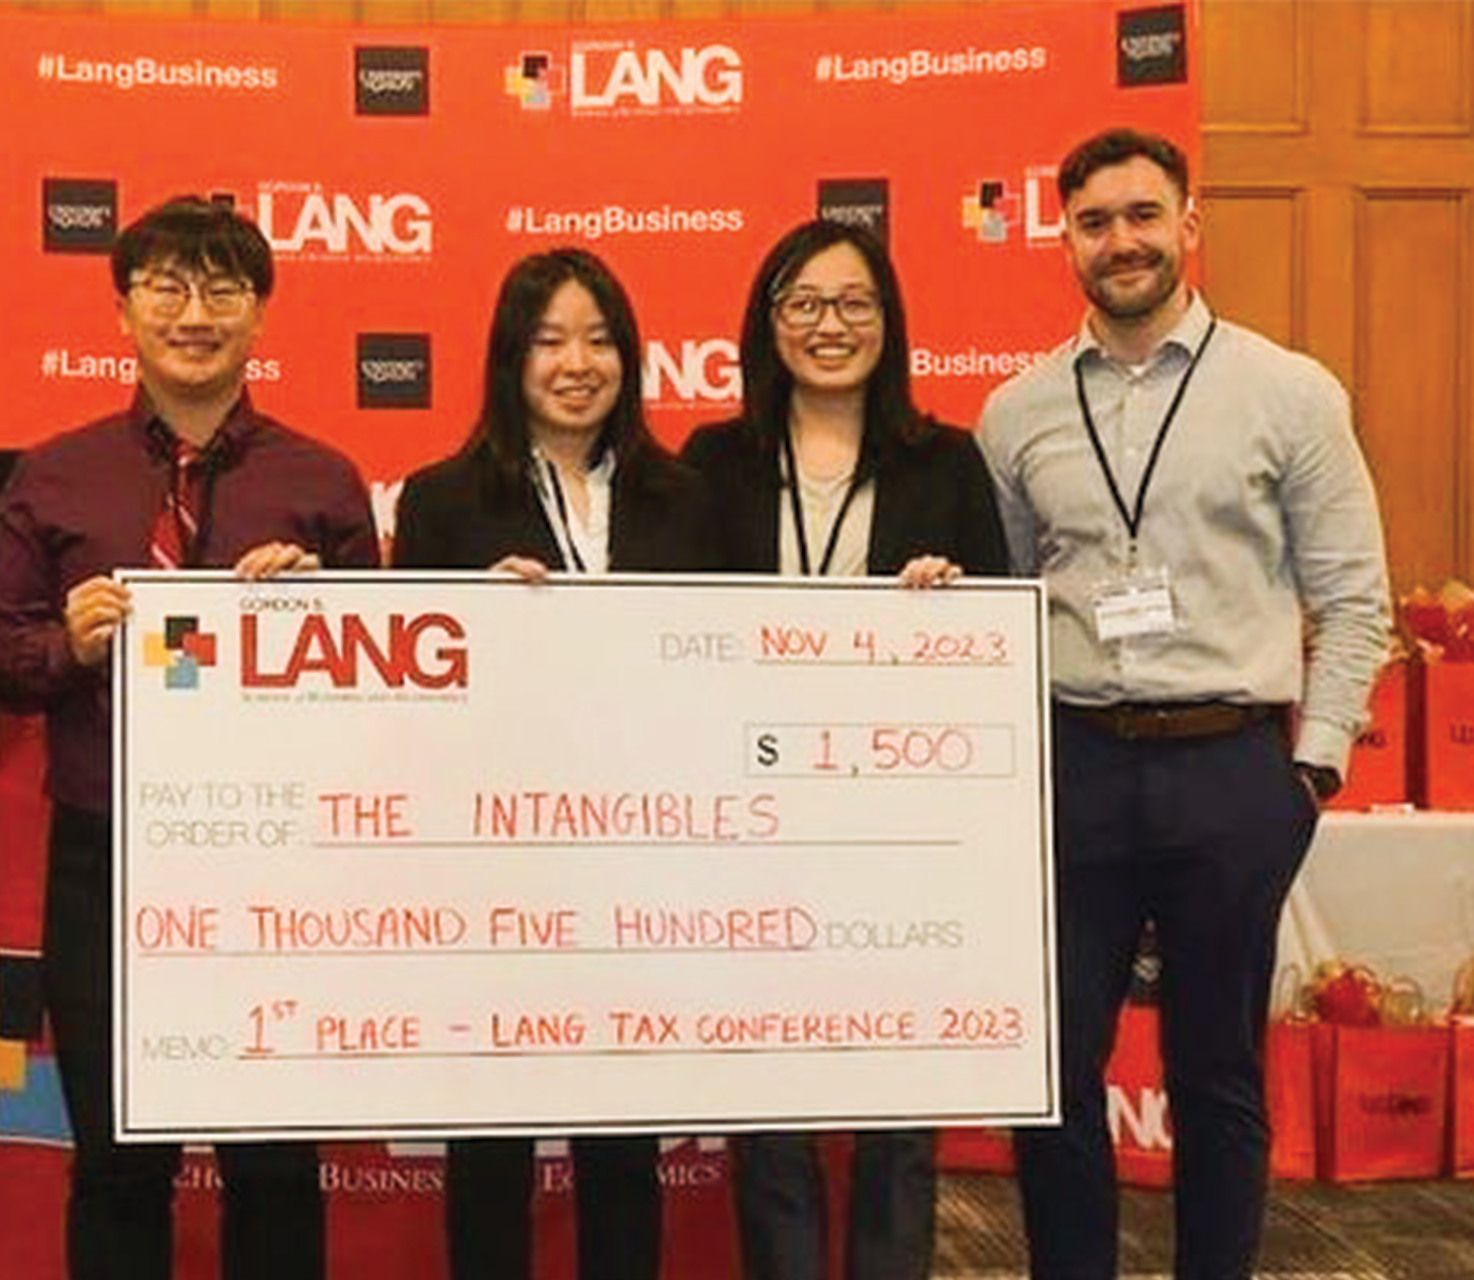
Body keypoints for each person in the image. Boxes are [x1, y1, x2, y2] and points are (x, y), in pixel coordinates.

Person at [977, 128, 1390, 1280]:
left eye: (1142, 215)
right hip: (1076, 768)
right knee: (1052, 1071)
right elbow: (1007, 604)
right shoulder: (1015, 414)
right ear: (1064, 238)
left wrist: (1308, 772)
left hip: (1230, 770)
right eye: (1095, 221)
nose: (1122, 242)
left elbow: (1356, 601)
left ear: (1189, 224)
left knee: (1216, 1076)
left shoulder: (1290, 393)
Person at [0, 198, 378, 1280]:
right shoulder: (56, 473)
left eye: (222, 288)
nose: (193, 312)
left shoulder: (324, 481)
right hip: (107, 852)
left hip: (278, 863)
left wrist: (323, 616)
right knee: (115, 1157)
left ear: (260, 314)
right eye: (166, 286)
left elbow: (387, 692)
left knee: (277, 1161)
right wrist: (67, 642)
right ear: (122, 311)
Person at [682, 219, 1008, 1280]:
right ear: (768, 323)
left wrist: (954, 613)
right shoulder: (714, 460)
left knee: (897, 1120)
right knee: (769, 1113)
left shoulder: (947, 461)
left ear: (891, 321)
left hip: (898, 834)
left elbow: (995, 648)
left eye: (855, 303)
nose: (831, 325)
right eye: (805, 303)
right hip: (749, 826)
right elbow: (666, 640)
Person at [391, 247, 714, 1280]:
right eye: (549, 340)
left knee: (625, 1146)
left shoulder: (688, 496)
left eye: (599, 337)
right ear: (508, 359)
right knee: (491, 1146)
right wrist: (480, 625)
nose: (578, 362)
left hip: (645, 868)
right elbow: (411, 696)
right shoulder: (444, 501)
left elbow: (731, 669)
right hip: (498, 875)